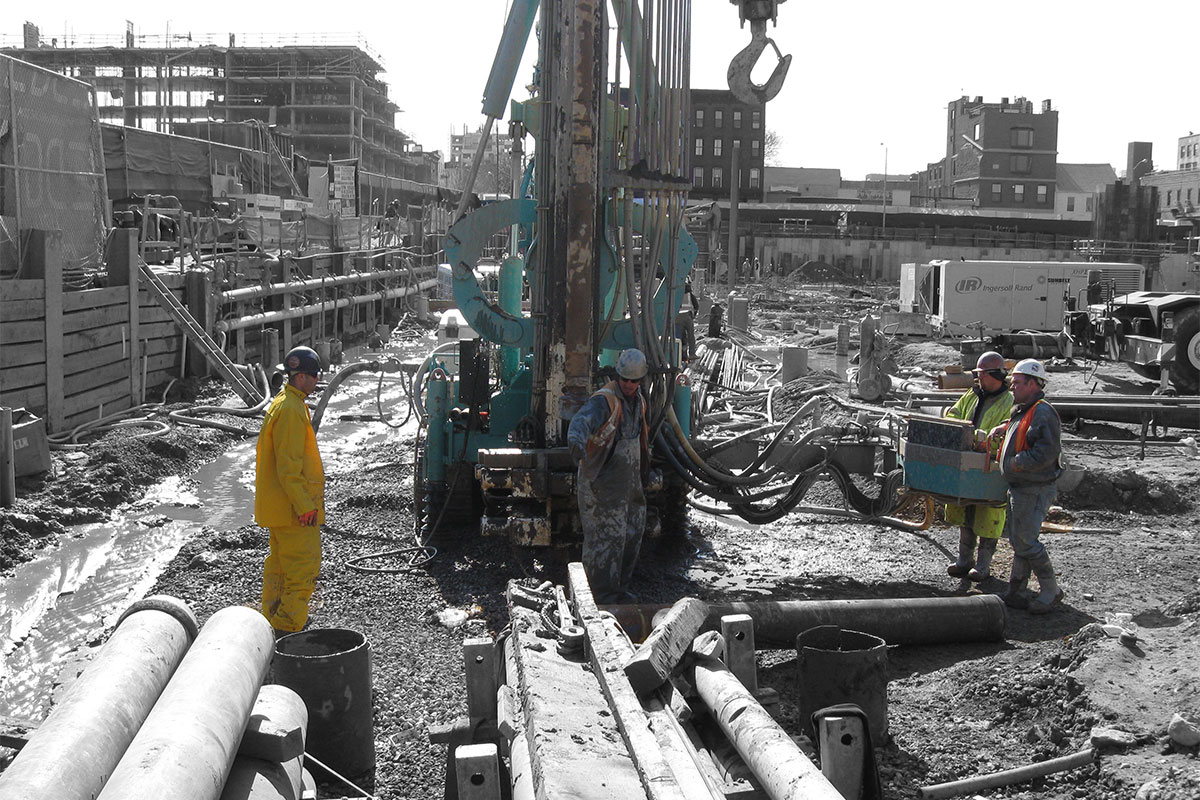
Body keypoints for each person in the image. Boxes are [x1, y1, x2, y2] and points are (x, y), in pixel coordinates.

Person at [566, 349, 651, 603]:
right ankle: (598, 598)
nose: (628, 384)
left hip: (630, 486)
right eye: (624, 379)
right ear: (617, 376)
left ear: (641, 380)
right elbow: (582, 422)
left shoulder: (640, 402)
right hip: (602, 484)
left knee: (631, 535)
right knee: (605, 541)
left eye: (634, 381)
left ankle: (619, 591)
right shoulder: (605, 400)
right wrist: (576, 441)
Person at [256, 346, 326, 634]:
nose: (318, 380)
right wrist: (305, 506)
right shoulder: (291, 410)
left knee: (280, 566)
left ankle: (272, 619)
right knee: (303, 567)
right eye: (314, 375)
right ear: (301, 377)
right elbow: (289, 468)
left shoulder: (284, 403)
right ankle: (288, 628)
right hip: (293, 510)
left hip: (280, 507)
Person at [988, 358, 1064, 614]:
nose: (1012, 387)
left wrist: (1016, 462)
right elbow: (1026, 432)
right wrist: (1005, 428)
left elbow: (1046, 452)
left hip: (1034, 488)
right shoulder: (1025, 409)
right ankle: (1017, 591)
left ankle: (1051, 590)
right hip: (1021, 486)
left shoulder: (1043, 412)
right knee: (1019, 540)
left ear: (1033, 384)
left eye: (1018, 383)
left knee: (1026, 541)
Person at [943, 352, 1013, 582]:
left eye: (982, 374)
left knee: (988, 514)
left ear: (995, 375)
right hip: (966, 463)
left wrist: (984, 441)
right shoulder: (972, 395)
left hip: (989, 467)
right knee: (965, 509)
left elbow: (1008, 433)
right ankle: (965, 560)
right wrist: (958, 429)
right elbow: (953, 413)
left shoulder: (1009, 402)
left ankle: (983, 565)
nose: (978, 379)